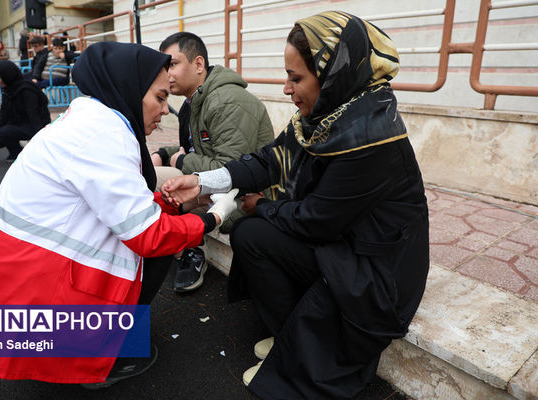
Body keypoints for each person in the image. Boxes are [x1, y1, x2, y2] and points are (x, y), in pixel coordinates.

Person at [162, 11, 430, 399]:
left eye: (296, 78)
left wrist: (260, 207)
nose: (287, 88)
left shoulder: (371, 137)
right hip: (343, 241)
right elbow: (270, 159)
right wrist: (201, 181)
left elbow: (317, 222)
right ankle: (292, 338)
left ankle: (308, 355)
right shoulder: (327, 116)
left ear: (332, 74)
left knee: (256, 225)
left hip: (378, 266)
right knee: (252, 235)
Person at [0, 42, 237, 386]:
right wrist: (212, 218)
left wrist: (169, 203)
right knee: (156, 248)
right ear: (131, 90)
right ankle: (97, 356)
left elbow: (111, 199)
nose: (166, 110)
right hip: (32, 288)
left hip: (10, 278)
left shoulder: (92, 117)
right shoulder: (105, 135)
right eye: (160, 97)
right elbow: (147, 234)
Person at [153, 32, 274, 293]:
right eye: (165, 66)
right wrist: (164, 153)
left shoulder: (226, 100)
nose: (167, 73)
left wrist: (183, 160)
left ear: (198, 65)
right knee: (152, 174)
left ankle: (191, 251)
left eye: (173, 64)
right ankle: (173, 247)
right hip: (216, 188)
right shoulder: (193, 102)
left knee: (163, 185)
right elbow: (198, 148)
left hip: (242, 197)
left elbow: (231, 170)